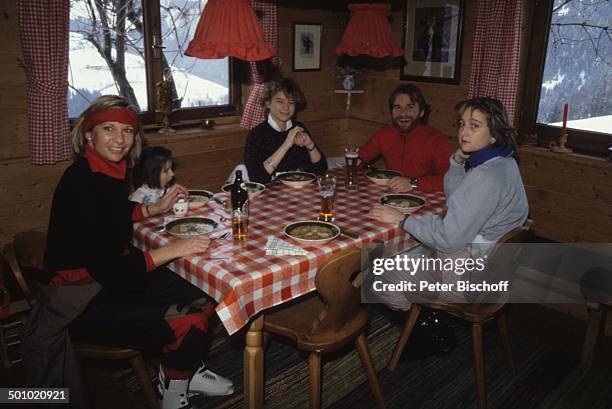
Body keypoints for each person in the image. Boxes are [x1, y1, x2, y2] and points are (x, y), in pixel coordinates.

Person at [21, 95, 233, 409]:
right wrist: (176, 248)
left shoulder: (104, 170)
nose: (119, 139)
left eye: (127, 131)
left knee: (203, 287)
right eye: (109, 129)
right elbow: (114, 270)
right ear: (88, 134)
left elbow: (113, 212)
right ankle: (173, 393)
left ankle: (183, 369)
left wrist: (152, 208)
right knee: (188, 316)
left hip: (101, 283)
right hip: (83, 301)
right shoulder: (83, 183)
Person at [367, 97, 528, 310]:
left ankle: (424, 327)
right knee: (409, 251)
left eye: (474, 125)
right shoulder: (504, 162)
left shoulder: (486, 175)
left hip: (469, 281)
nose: (464, 132)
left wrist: (403, 219)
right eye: (462, 124)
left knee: (377, 271)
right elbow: (457, 197)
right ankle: (421, 312)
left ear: (493, 135)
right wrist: (457, 163)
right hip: (490, 271)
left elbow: (448, 240)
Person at [360, 84, 451, 192]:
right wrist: (357, 160)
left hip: (426, 198)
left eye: (410, 107)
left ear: (421, 112)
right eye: (397, 108)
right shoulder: (385, 134)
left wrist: (413, 183)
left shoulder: (437, 140)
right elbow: (362, 156)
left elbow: (450, 179)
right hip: (393, 195)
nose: (403, 113)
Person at [244, 78, 328, 184]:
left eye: (291, 103)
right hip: (267, 195)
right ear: (268, 103)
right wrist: (286, 144)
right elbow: (257, 179)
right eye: (280, 101)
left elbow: (320, 170)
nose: (286, 107)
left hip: (293, 192)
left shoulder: (299, 128)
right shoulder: (256, 134)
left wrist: (310, 145)